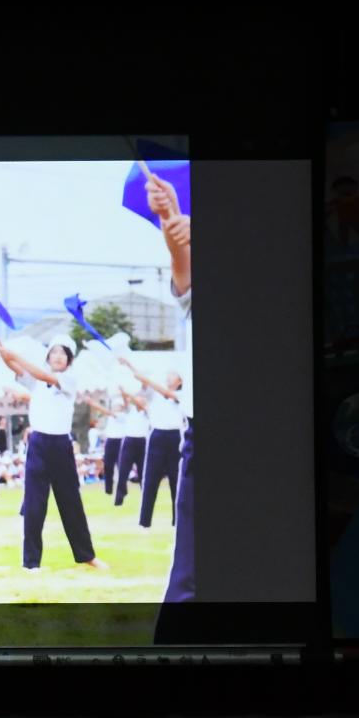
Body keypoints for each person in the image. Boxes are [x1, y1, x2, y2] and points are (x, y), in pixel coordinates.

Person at [0, 333, 106, 575]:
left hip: (61, 445)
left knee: (70, 502)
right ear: (48, 357)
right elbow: (16, 366)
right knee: (34, 505)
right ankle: (31, 561)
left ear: (69, 360)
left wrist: (13, 354)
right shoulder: (36, 380)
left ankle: (86, 556)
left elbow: (38, 372)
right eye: (53, 352)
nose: (57, 357)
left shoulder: (69, 379)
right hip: (38, 444)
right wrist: (0, 348)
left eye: (62, 353)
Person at [142, 172, 194, 611]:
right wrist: (170, 218)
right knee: (191, 570)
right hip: (199, 434)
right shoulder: (197, 293)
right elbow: (183, 264)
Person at [115, 358, 183, 530]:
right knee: (150, 480)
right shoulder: (154, 395)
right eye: (167, 375)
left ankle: (177, 521)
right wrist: (129, 365)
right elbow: (142, 378)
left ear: (180, 380)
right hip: (156, 436)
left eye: (172, 375)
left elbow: (164, 391)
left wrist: (145, 379)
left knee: (176, 481)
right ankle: (144, 522)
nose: (168, 378)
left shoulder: (182, 395)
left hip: (174, 438)